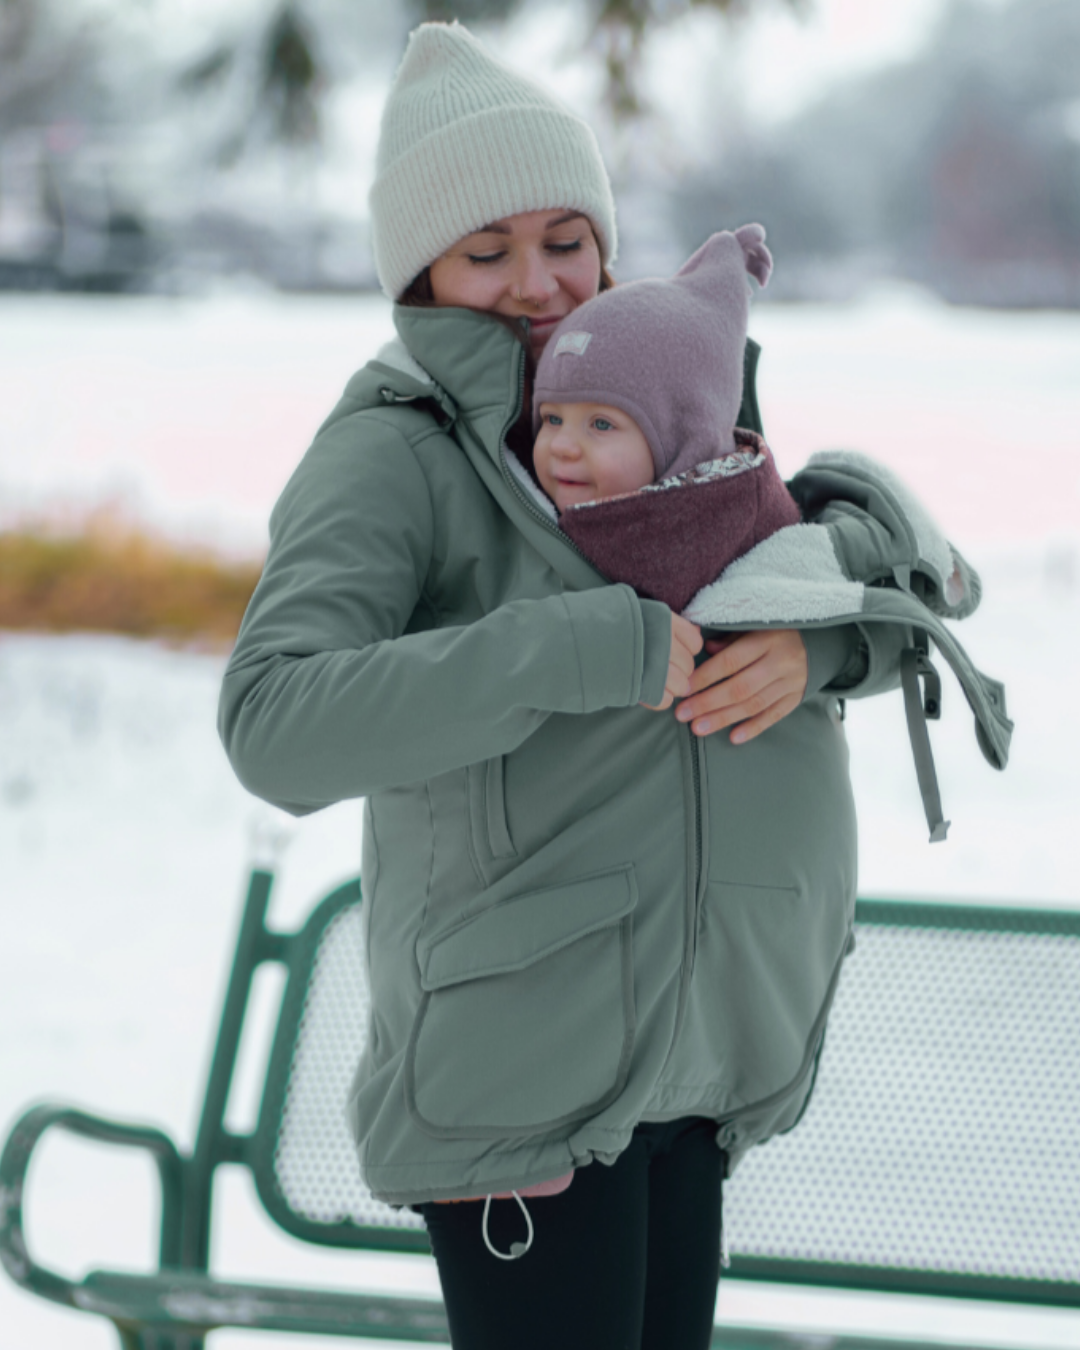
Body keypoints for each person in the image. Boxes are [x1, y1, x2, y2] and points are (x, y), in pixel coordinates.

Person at [217, 20, 989, 1350]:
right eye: (487, 250)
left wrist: (819, 650)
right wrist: (576, 651)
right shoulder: (395, 452)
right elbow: (277, 721)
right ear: (418, 270)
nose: (538, 282)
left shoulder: (670, 407)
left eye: (565, 238)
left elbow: (840, 580)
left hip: (693, 1051)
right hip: (524, 1069)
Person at [528, 221, 804, 614]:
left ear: (684, 438)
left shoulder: (746, 537)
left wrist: (820, 644)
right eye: (552, 419)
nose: (561, 446)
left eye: (601, 424)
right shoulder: (549, 517)